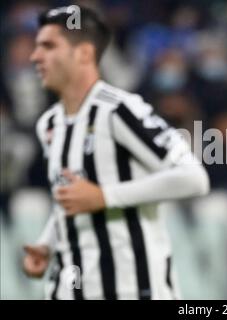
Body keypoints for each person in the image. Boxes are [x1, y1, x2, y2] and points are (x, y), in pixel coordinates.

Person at [23, 6, 210, 300]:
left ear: (83, 53)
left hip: (133, 288)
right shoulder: (50, 123)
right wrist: (47, 244)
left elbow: (194, 178)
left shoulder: (120, 110)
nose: (35, 56)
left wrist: (104, 196)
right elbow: (70, 198)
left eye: (48, 46)